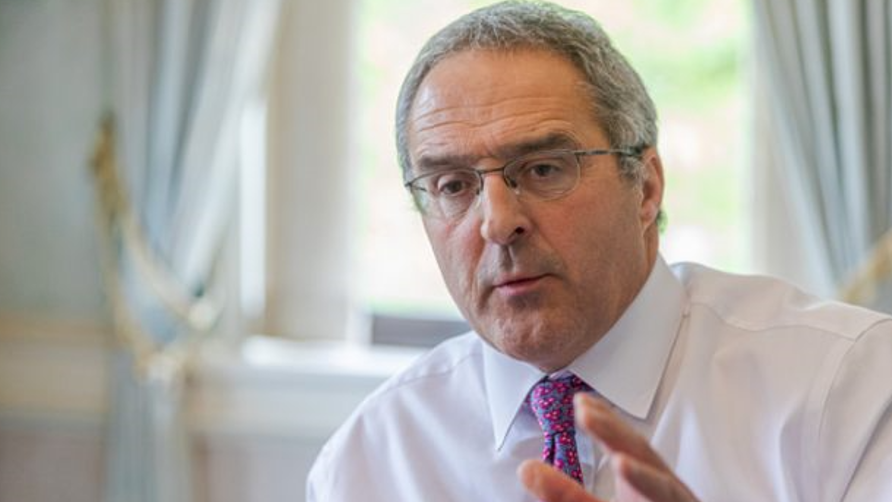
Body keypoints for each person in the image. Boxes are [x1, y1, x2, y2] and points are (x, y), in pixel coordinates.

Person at [306, 2, 892, 501]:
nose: (498, 223)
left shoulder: (848, 389)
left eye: (542, 169)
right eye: (454, 186)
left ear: (646, 186)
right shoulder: (370, 460)